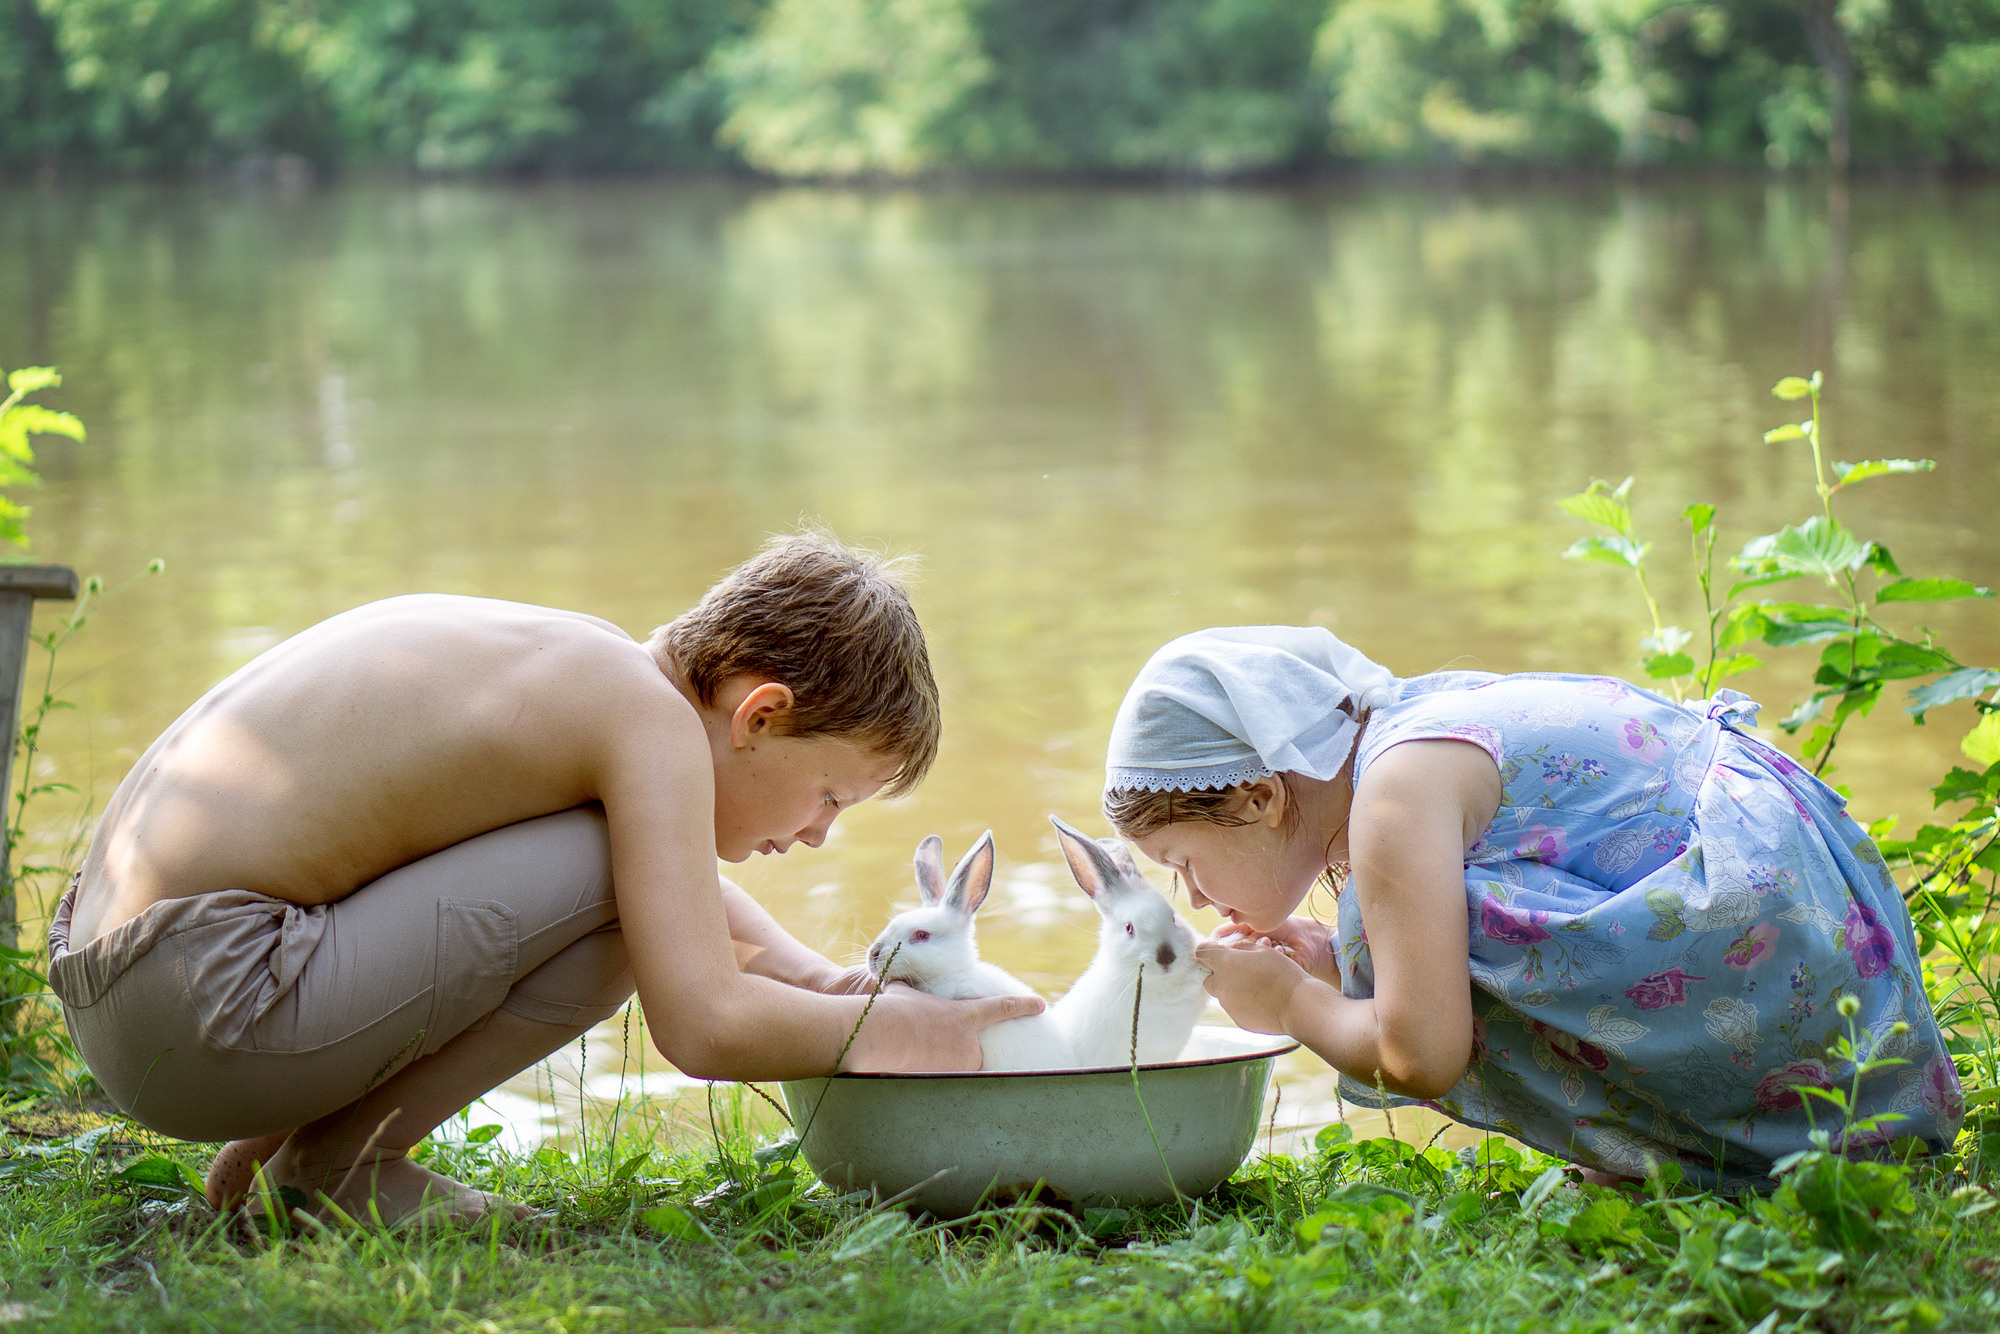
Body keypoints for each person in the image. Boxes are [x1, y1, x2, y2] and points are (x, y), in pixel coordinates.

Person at [47, 532, 1042, 1224]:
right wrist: (897, 1033)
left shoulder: (584, 673)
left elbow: (628, 881)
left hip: (131, 984)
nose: (821, 834)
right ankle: (342, 1170)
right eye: (830, 795)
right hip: (198, 998)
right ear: (759, 714)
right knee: (621, 885)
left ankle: (303, 1160)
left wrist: (822, 983)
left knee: (612, 864)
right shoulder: (644, 722)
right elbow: (700, 1023)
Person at [1103, 625, 1963, 1190]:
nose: (1194, 895)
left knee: (1394, 955)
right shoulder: (1409, 727)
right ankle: (1811, 1134)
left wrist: (1289, 1001)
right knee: (1382, 936)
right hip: (1804, 943)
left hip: (1755, 940)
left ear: (1258, 798)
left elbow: (1417, 1057)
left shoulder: (1392, 801)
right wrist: (1335, 963)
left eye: (1182, 861)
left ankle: (1724, 1150)